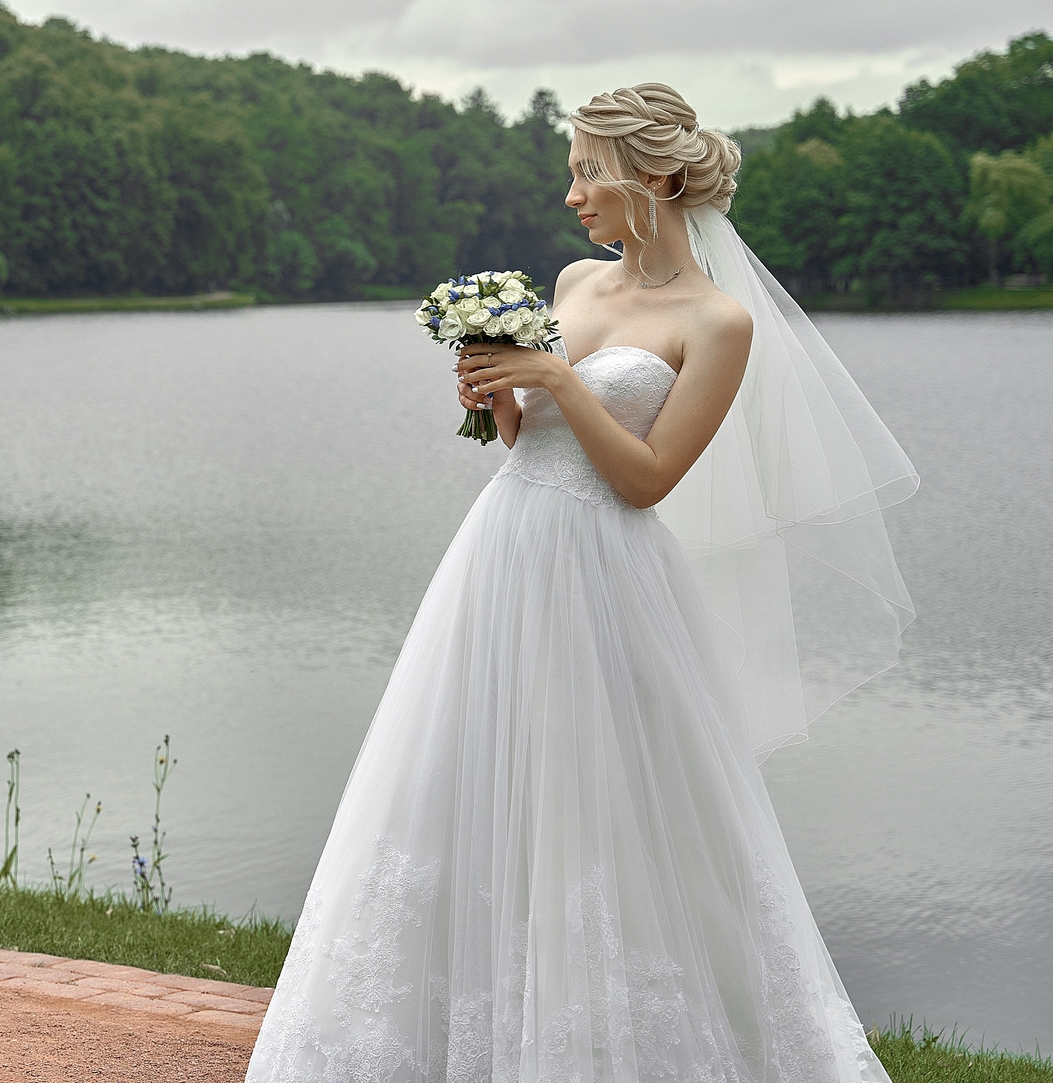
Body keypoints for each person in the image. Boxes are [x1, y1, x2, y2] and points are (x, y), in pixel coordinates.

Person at [246, 83, 915, 1083]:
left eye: (585, 172)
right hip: (500, 558)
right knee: (468, 774)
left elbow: (644, 481)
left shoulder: (717, 322)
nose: (571, 195)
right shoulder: (571, 284)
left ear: (653, 177)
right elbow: (527, 441)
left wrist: (556, 379)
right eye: (570, 172)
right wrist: (496, 389)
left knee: (604, 798)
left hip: (607, 575)